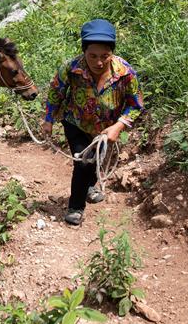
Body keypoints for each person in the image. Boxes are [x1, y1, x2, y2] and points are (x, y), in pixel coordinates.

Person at [41, 19, 144, 227]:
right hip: (76, 123)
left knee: (97, 160)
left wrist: (118, 126)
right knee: (83, 161)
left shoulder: (125, 73)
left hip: (106, 129)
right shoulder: (71, 69)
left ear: (112, 53)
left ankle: (89, 186)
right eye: (93, 56)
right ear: (84, 52)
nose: (99, 62)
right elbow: (55, 93)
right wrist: (48, 120)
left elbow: (136, 105)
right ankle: (75, 207)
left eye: (105, 56)